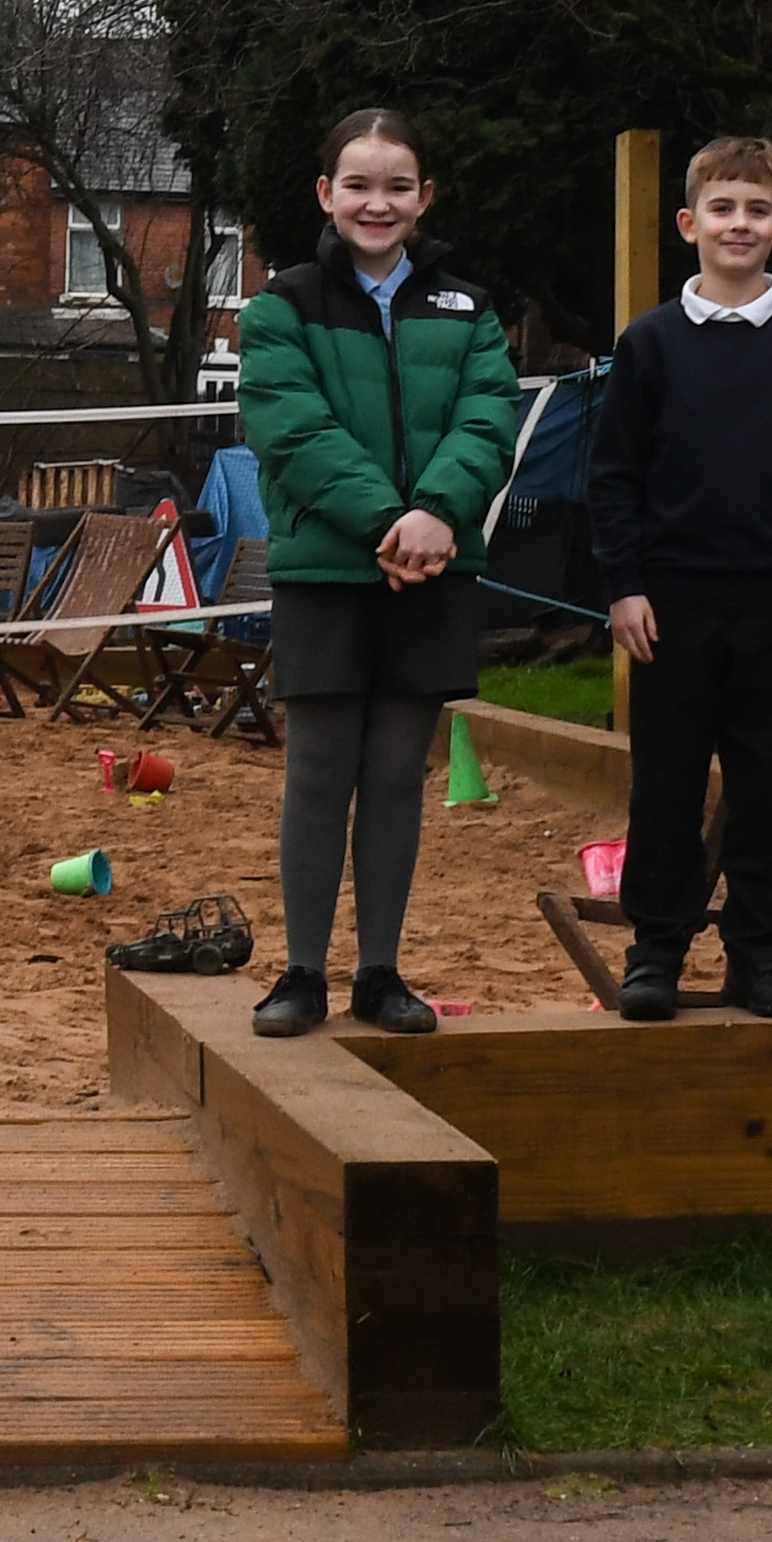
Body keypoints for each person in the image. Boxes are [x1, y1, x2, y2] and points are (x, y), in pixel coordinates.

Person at [230, 106, 526, 1039]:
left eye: (398, 186)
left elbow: (489, 421)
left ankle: (381, 974)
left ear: (424, 197)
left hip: (434, 569)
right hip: (328, 571)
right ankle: (302, 974)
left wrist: (437, 514)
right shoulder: (281, 307)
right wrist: (388, 523)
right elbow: (291, 429)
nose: (377, 203)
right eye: (358, 184)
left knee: (397, 772)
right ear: (327, 193)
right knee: (319, 770)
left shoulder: (470, 310)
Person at [586, 135, 772, 1023]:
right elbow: (615, 474)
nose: (737, 224)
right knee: (665, 786)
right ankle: (656, 952)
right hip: (668, 604)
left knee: (761, 785)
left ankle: (756, 952)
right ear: (689, 222)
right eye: (722, 208)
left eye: (756, 210)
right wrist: (623, 584)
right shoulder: (650, 343)